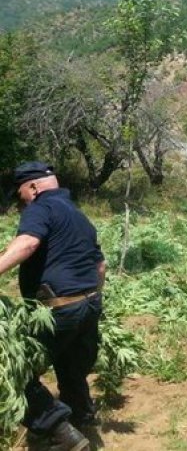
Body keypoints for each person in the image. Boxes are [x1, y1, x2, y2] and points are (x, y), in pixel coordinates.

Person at [0, 161, 105, 451]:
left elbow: (27, 245)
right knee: (71, 367)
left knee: (13, 370)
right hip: (89, 305)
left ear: (33, 187)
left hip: (59, 308)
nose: (20, 202)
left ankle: (59, 431)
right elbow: (100, 266)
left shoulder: (40, 208)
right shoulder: (79, 215)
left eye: (20, 193)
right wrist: (92, 301)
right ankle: (83, 422)